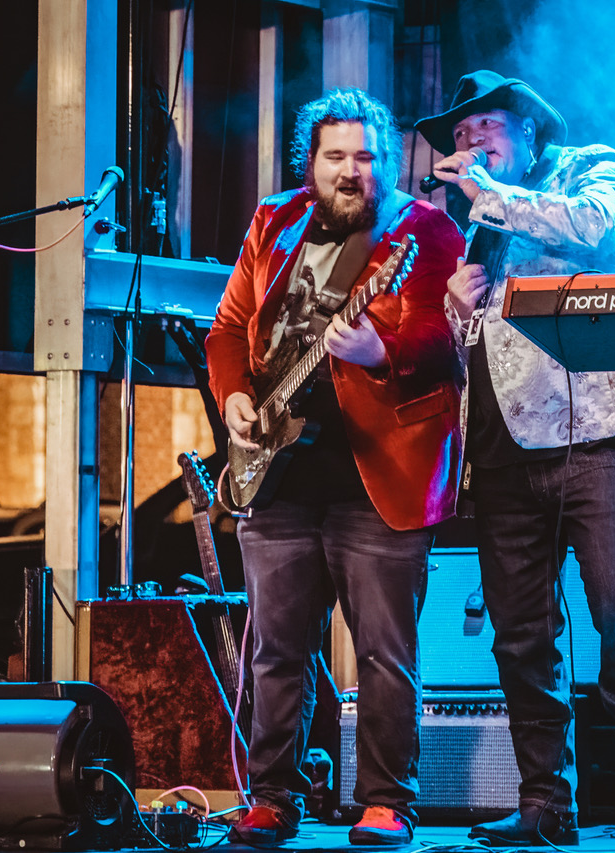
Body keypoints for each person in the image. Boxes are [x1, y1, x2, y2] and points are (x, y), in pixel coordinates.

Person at [414, 71, 615, 847]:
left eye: (485, 128)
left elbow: (595, 230)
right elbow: (470, 353)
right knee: (521, 633)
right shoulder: (471, 229)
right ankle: (544, 803)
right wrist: (455, 313)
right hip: (500, 453)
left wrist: (488, 193)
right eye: (459, 138)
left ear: (528, 130)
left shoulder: (589, 168)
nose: (469, 146)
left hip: (595, 436)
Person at [205, 88, 464, 847]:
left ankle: (387, 798)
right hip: (279, 471)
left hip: (381, 470)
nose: (352, 172)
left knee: (387, 650)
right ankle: (271, 794)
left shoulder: (423, 232)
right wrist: (233, 401)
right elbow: (226, 327)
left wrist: (382, 350)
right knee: (276, 648)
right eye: (336, 157)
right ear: (309, 163)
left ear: (386, 161)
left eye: (366, 156)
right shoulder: (273, 221)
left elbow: (452, 336)